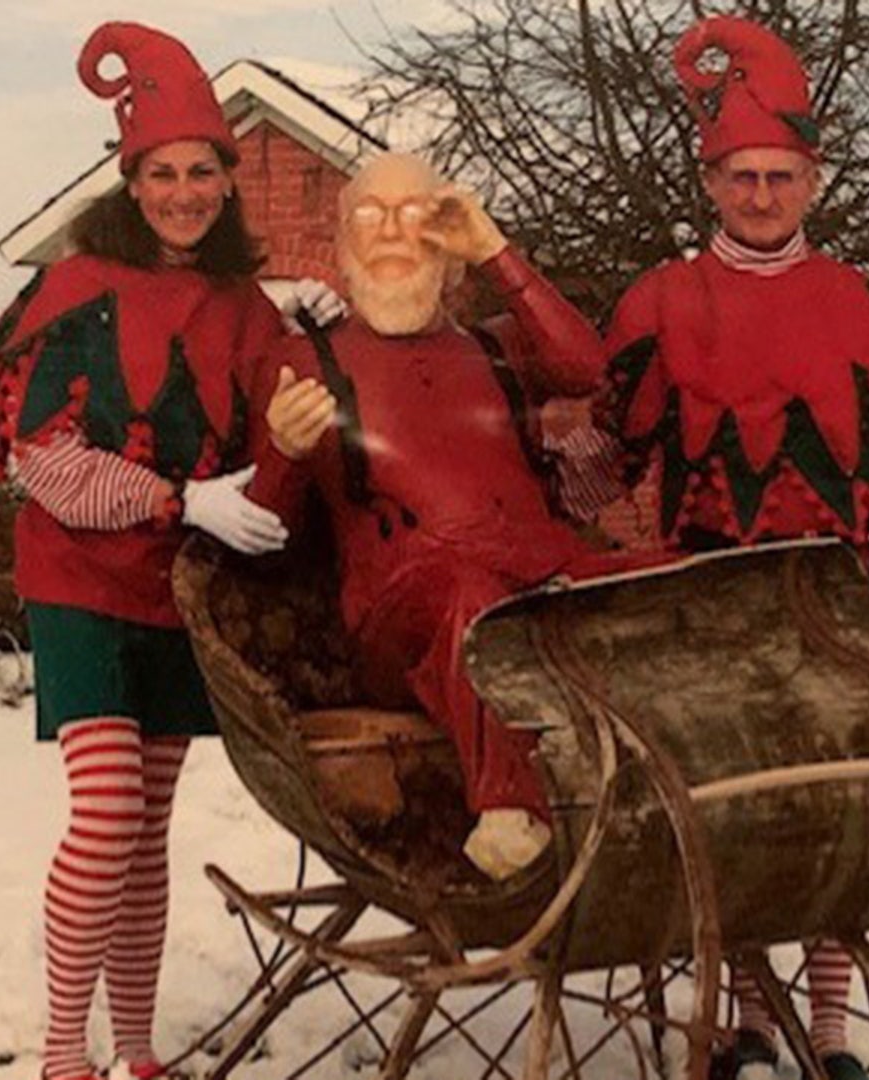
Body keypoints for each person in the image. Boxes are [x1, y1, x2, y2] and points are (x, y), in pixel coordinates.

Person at [0, 22, 335, 1080]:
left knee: (147, 829)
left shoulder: (246, 307)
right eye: (161, 174)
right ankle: (61, 1051)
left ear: (228, 180)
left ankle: (134, 1047)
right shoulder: (77, 288)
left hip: (173, 592)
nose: (183, 193)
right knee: (108, 813)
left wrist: (325, 333)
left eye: (202, 172)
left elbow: (282, 432)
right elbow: (41, 461)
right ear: (131, 184)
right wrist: (179, 497)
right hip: (78, 582)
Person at [595, 17, 869, 1080]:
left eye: (781, 176)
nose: (761, 196)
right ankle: (753, 1018)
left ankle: (830, 1029)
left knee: (844, 807)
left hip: (833, 606)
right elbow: (606, 470)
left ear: (813, 181)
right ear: (711, 183)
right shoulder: (659, 303)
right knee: (739, 814)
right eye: (743, 177)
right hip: (700, 607)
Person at [248, 152, 644, 881]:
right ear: (341, 244)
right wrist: (284, 453)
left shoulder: (497, 346)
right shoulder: (303, 359)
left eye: (416, 214)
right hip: (408, 606)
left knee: (660, 579)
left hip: (539, 575)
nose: (392, 231)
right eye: (370, 214)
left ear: (449, 246)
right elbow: (267, 535)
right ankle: (510, 812)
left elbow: (590, 372)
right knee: (466, 597)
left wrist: (496, 253)